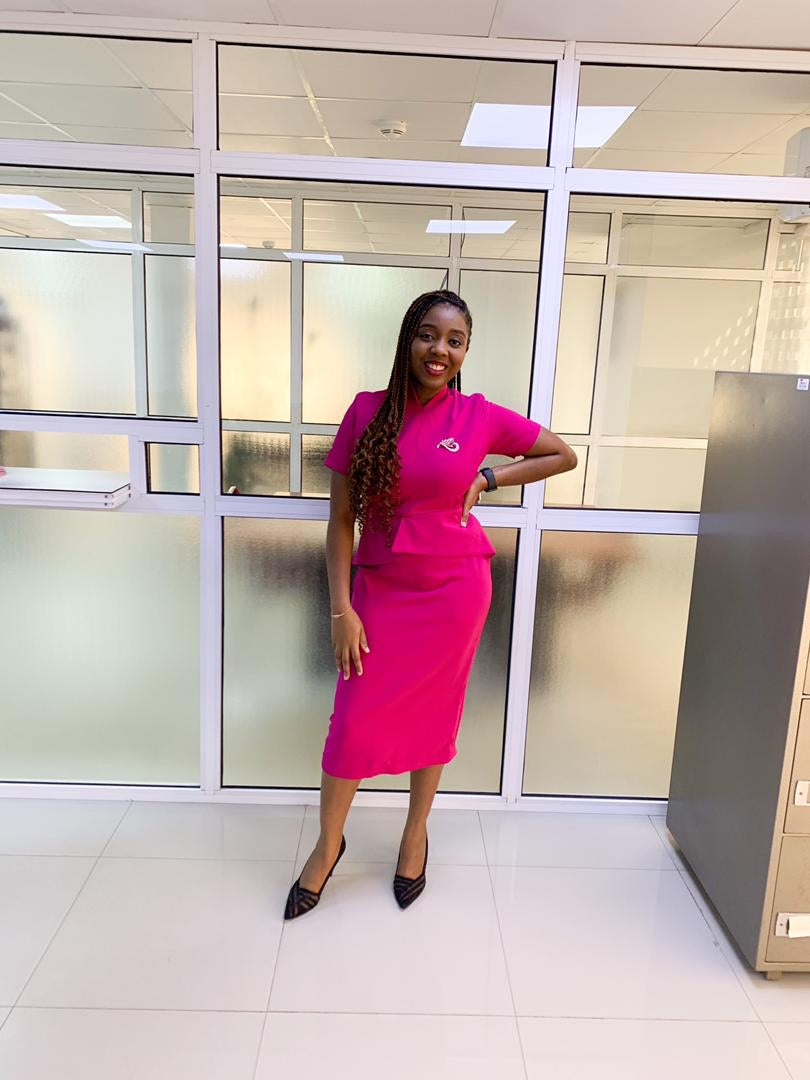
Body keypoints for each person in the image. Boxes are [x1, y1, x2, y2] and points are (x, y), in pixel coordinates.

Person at [284, 289, 577, 919]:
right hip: (379, 591)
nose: (439, 350)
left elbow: (561, 454)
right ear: (407, 339)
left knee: (435, 717)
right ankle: (329, 843)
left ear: (465, 350)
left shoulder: (478, 416)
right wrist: (341, 609)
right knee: (352, 723)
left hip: (455, 592)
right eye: (428, 334)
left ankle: (415, 834)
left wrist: (490, 477)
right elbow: (340, 521)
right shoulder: (366, 411)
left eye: (454, 340)